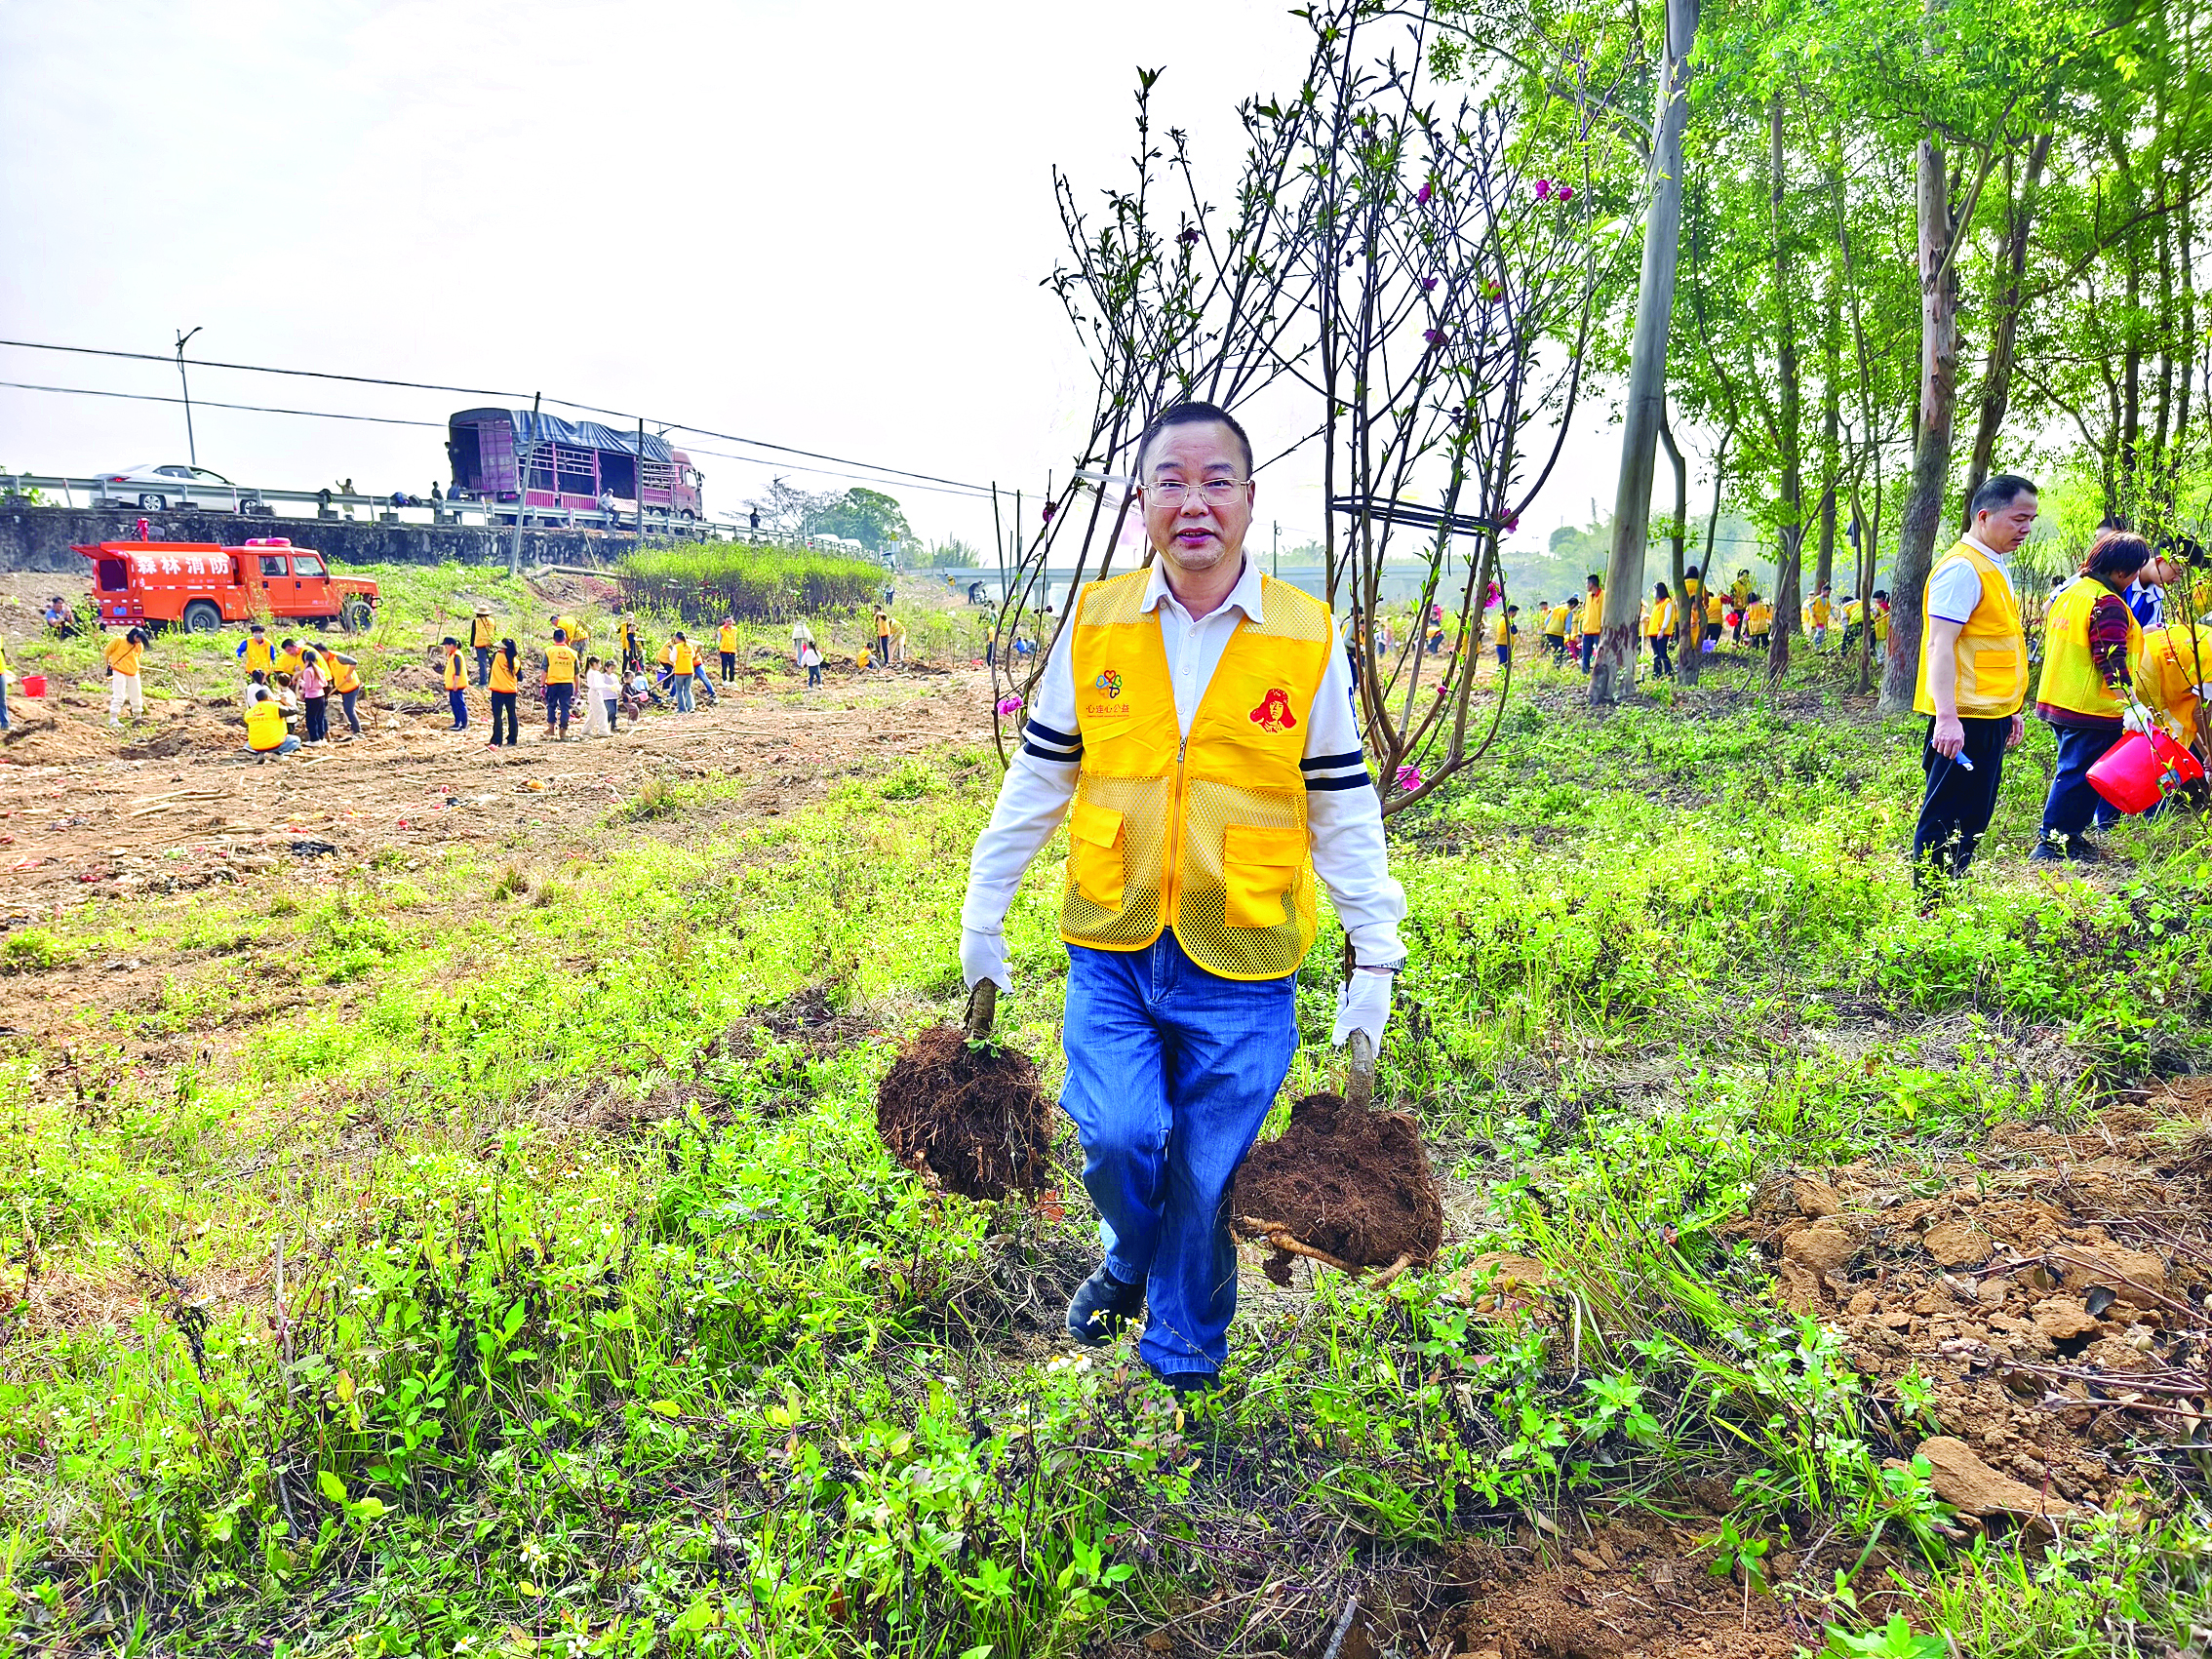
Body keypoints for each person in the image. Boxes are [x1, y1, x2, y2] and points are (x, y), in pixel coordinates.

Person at [959, 401, 1404, 1397]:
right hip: (1113, 946)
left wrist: (1375, 954)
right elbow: (1038, 779)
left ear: (1249, 500)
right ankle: (1128, 1256)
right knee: (1121, 1138)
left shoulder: (1305, 637)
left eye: (1216, 481)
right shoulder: (1098, 624)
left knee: (1206, 1181)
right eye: (1172, 481)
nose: (1193, 502)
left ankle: (1184, 1365)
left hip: (1244, 959)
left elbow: (1340, 804)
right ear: (1142, 502)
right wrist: (981, 913)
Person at [1911, 473, 2038, 882]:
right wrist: (1947, 719)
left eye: (2031, 519)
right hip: (1963, 718)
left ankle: (1950, 895)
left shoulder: (1992, 565)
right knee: (1947, 814)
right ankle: (1932, 906)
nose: (2026, 528)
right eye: (2019, 518)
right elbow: (1940, 646)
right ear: (1984, 516)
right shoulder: (1963, 569)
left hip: (1989, 715)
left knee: (1973, 814)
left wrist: (2010, 709)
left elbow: (1993, 643)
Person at [2031, 529, 2162, 860]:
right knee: (2076, 774)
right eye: (2133, 572)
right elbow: (2111, 659)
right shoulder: (2108, 603)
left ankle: (2069, 837)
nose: (2133, 579)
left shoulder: (2074, 592)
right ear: (2121, 572)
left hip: (2059, 697)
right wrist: (2131, 703)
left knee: (2075, 771)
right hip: (2088, 705)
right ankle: (2052, 843)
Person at [105, 626, 149, 725]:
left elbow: (137, 658)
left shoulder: (139, 646)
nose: (138, 641)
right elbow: (107, 652)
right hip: (119, 671)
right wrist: (107, 665)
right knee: (119, 695)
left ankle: (138, 716)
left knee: (136, 695)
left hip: (133, 672)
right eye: (138, 638)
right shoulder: (119, 640)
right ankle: (113, 718)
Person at [244, 686, 297, 759]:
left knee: (256, 738)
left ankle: (260, 754)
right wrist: (286, 702)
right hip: (274, 744)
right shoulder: (275, 707)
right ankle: (278, 755)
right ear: (269, 697)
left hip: (256, 745)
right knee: (296, 741)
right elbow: (295, 710)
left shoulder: (250, 711)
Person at [487, 640, 521, 747]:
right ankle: (512, 738)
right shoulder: (516, 661)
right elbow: (520, 677)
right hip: (511, 690)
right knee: (511, 714)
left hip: (498, 690)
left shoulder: (497, 656)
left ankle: (497, 739)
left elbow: (490, 660)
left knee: (497, 716)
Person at [545, 629, 578, 737]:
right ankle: (563, 731)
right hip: (567, 683)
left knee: (551, 706)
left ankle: (551, 729)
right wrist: (577, 688)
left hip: (552, 683)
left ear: (554, 638)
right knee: (565, 707)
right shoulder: (573, 653)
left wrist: (541, 685)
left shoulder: (549, 651)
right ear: (565, 638)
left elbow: (544, 670)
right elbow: (576, 673)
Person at [327, 646, 363, 737]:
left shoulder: (338, 657)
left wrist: (349, 674)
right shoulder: (327, 660)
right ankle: (353, 726)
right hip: (341, 687)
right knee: (347, 708)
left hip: (351, 687)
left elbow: (354, 662)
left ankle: (357, 730)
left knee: (348, 709)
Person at [297, 647, 330, 744]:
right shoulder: (320, 670)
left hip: (312, 697)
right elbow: (325, 684)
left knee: (311, 718)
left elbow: (308, 686)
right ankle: (321, 738)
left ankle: (314, 739)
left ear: (306, 660)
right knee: (320, 717)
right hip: (321, 696)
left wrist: (301, 683)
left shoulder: (308, 671)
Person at [1646, 582, 1676, 679]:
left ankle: (1669, 672)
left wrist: (1662, 630)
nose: (1654, 593)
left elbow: (1667, 617)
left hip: (1662, 632)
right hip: (1653, 632)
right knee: (1656, 654)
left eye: (1655, 590)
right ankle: (1657, 673)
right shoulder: (1657, 604)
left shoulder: (1667, 602)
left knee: (1662, 652)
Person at [581, 657, 616, 737]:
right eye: (599, 664)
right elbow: (595, 685)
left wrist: (610, 687)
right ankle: (603, 731)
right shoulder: (591, 673)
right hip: (594, 693)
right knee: (602, 712)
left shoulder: (596, 673)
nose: (600, 666)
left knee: (593, 713)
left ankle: (586, 730)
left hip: (598, 693)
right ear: (593, 664)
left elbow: (601, 684)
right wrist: (609, 687)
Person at [441, 637, 468, 731]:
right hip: (453, 685)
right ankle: (457, 723)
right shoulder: (453, 655)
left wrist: (455, 683)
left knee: (460, 704)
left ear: (451, 645)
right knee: (454, 704)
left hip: (457, 684)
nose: (445, 647)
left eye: (446, 645)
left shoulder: (456, 655)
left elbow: (458, 670)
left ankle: (463, 724)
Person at [1579, 575, 1602, 672]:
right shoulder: (1588, 596)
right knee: (1585, 655)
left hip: (1598, 630)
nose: (1586, 586)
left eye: (1587, 583)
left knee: (1601, 654)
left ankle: (1600, 672)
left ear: (1591, 584)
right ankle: (1585, 672)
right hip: (1587, 630)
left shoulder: (1603, 595)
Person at [668, 632, 696, 712]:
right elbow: (693, 656)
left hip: (680, 671)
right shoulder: (690, 646)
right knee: (688, 689)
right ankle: (691, 707)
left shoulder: (677, 647)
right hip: (690, 671)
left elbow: (673, 659)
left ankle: (682, 709)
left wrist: (671, 654)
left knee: (679, 690)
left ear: (677, 638)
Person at [471, 609, 496, 687]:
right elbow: (495, 633)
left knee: (482, 663)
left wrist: (471, 645)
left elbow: (473, 633)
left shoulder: (476, 621)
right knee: (492, 663)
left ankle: (483, 682)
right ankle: (492, 681)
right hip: (491, 644)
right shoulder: (492, 621)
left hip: (480, 644)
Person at [1808, 582, 1834, 650]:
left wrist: (1834, 616)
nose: (1828, 594)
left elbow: (1830, 609)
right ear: (1823, 591)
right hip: (1816, 618)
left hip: (1822, 620)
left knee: (1822, 634)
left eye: (1829, 592)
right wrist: (1811, 612)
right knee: (1820, 632)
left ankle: (1818, 646)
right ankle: (1814, 644)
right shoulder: (1817, 599)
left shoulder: (1827, 600)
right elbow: (1809, 605)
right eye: (1827, 592)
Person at [1493, 605, 1518, 669]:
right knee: (1503, 663)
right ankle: (1500, 676)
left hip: (1507, 644)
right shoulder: (1504, 621)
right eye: (1515, 613)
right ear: (1511, 612)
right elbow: (1512, 630)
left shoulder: (1509, 620)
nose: (1515, 615)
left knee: (1507, 663)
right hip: (1503, 645)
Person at [718, 616, 738, 683]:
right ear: (725, 622)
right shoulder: (721, 629)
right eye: (728, 621)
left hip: (732, 650)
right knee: (724, 666)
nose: (729, 623)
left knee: (732, 667)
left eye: (730, 621)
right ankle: (724, 680)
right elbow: (719, 639)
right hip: (724, 650)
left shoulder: (735, 629)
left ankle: (732, 680)